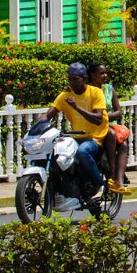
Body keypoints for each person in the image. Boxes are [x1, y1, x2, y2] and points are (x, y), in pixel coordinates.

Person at [37, 62, 108, 199]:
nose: (72, 82)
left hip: (94, 137)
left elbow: (98, 118)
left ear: (84, 78)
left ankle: (99, 184)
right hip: (75, 137)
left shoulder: (95, 92)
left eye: (75, 79)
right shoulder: (65, 95)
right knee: (57, 154)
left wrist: (76, 107)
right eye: (69, 78)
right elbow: (50, 113)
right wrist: (40, 121)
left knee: (83, 152)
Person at [89, 64, 131, 195]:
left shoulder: (108, 89)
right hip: (94, 127)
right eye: (101, 73)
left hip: (109, 124)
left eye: (105, 73)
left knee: (123, 144)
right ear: (92, 75)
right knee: (111, 135)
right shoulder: (88, 90)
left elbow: (118, 112)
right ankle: (111, 174)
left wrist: (104, 117)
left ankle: (119, 180)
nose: (104, 76)